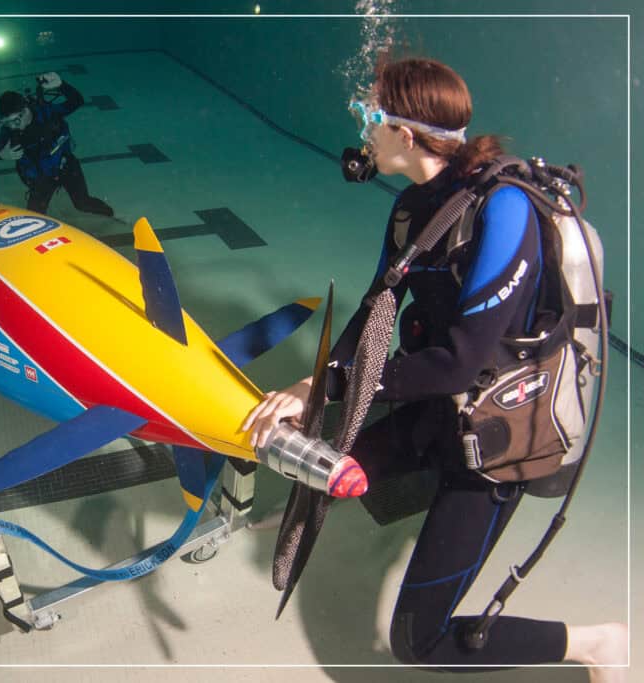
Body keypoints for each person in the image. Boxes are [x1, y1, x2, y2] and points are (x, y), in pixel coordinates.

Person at [242, 57, 626, 680]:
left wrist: (330, 385)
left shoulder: (503, 212)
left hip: (501, 441)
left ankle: (595, 643)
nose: (362, 128)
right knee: (331, 464)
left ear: (405, 131)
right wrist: (323, 381)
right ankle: (362, 483)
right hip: (440, 412)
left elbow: (457, 364)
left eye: (370, 114)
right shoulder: (412, 208)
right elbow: (375, 312)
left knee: (420, 642)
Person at [0, 72, 114, 217]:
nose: (13, 126)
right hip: (40, 179)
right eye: (7, 122)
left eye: (15, 120)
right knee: (34, 217)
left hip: (66, 166)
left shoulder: (46, 113)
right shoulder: (9, 130)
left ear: (25, 111)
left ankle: (111, 215)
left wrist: (62, 86)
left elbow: (76, 101)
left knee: (82, 203)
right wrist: (1, 154)